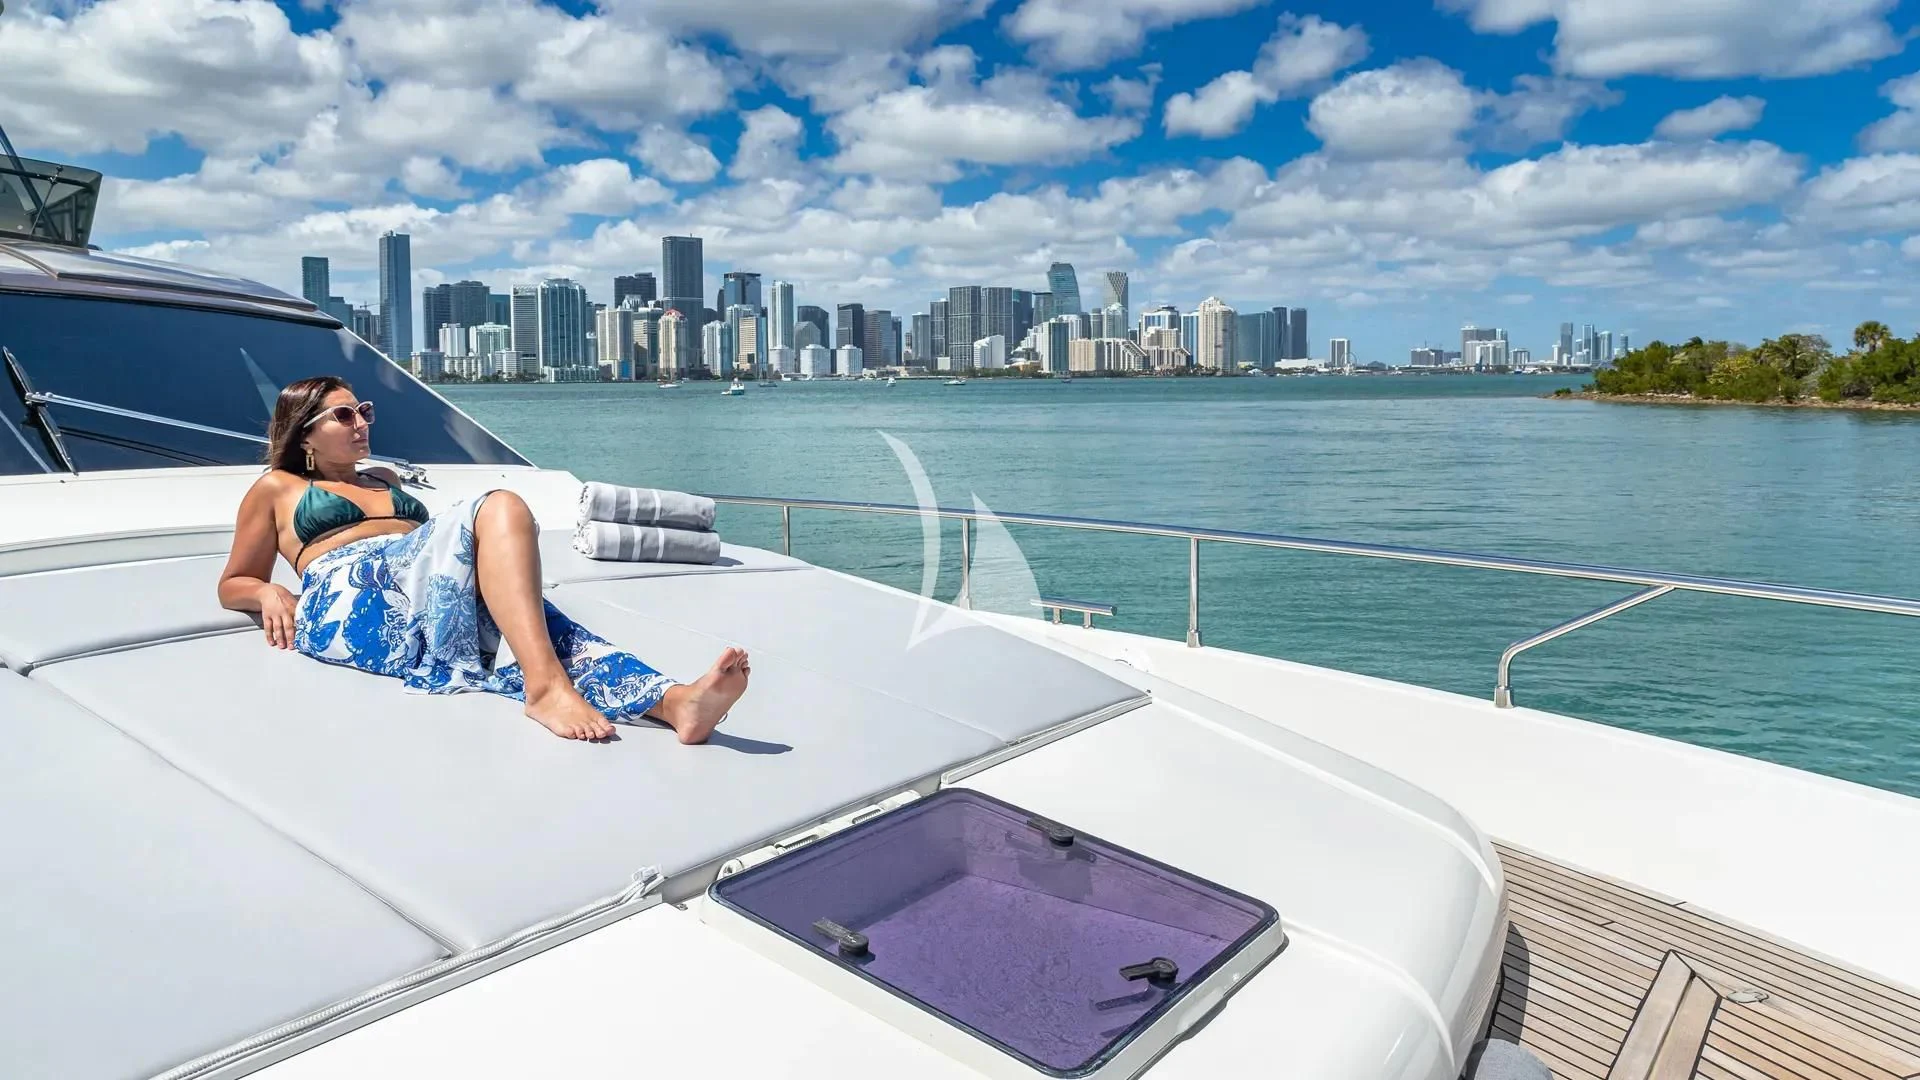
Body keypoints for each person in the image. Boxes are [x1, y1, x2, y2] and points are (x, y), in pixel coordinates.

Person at [218, 375, 747, 743]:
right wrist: (268, 590)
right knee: (502, 505)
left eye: (365, 411)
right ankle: (545, 690)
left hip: (421, 581)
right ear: (305, 430)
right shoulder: (277, 487)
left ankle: (675, 702)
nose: (361, 423)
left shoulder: (386, 479)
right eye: (344, 415)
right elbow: (235, 580)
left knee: (546, 629)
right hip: (353, 593)